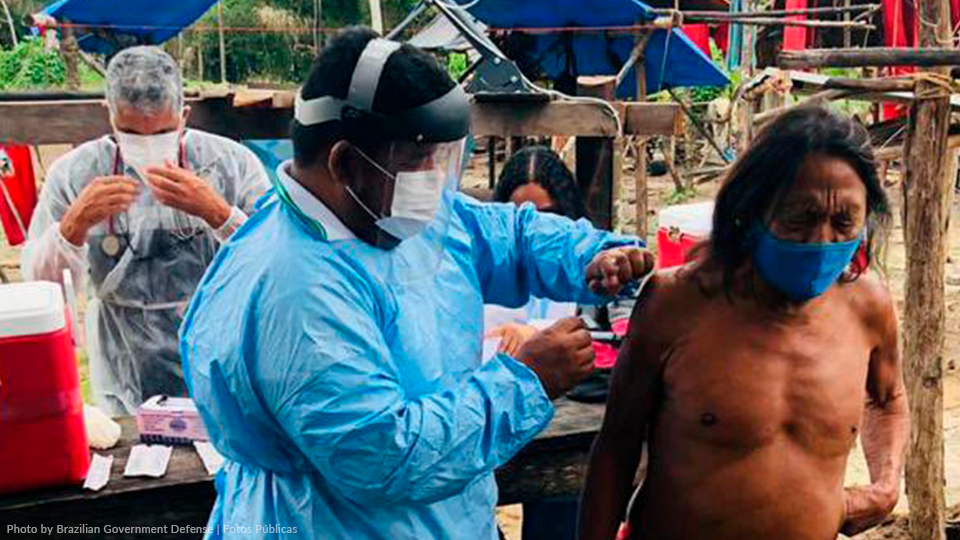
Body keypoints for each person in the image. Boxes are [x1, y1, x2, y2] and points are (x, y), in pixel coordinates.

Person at [179, 28, 653, 540]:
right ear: (345, 163)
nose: (432, 177)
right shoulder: (296, 288)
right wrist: (527, 381)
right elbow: (384, 457)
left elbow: (507, 236)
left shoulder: (383, 213)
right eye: (417, 161)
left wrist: (589, 256)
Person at [578, 105, 909, 540]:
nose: (821, 240)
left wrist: (886, 486)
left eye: (844, 221)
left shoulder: (868, 305)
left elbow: (887, 398)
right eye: (801, 217)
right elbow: (615, 447)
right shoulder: (675, 302)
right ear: (752, 208)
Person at [22, 46, 269, 416]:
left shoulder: (230, 165)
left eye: (164, 132)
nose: (148, 145)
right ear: (108, 114)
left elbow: (275, 261)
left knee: (218, 440)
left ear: (184, 116)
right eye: (131, 132)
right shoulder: (75, 173)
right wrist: (73, 226)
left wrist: (218, 213)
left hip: (217, 353)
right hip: (122, 361)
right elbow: (41, 289)